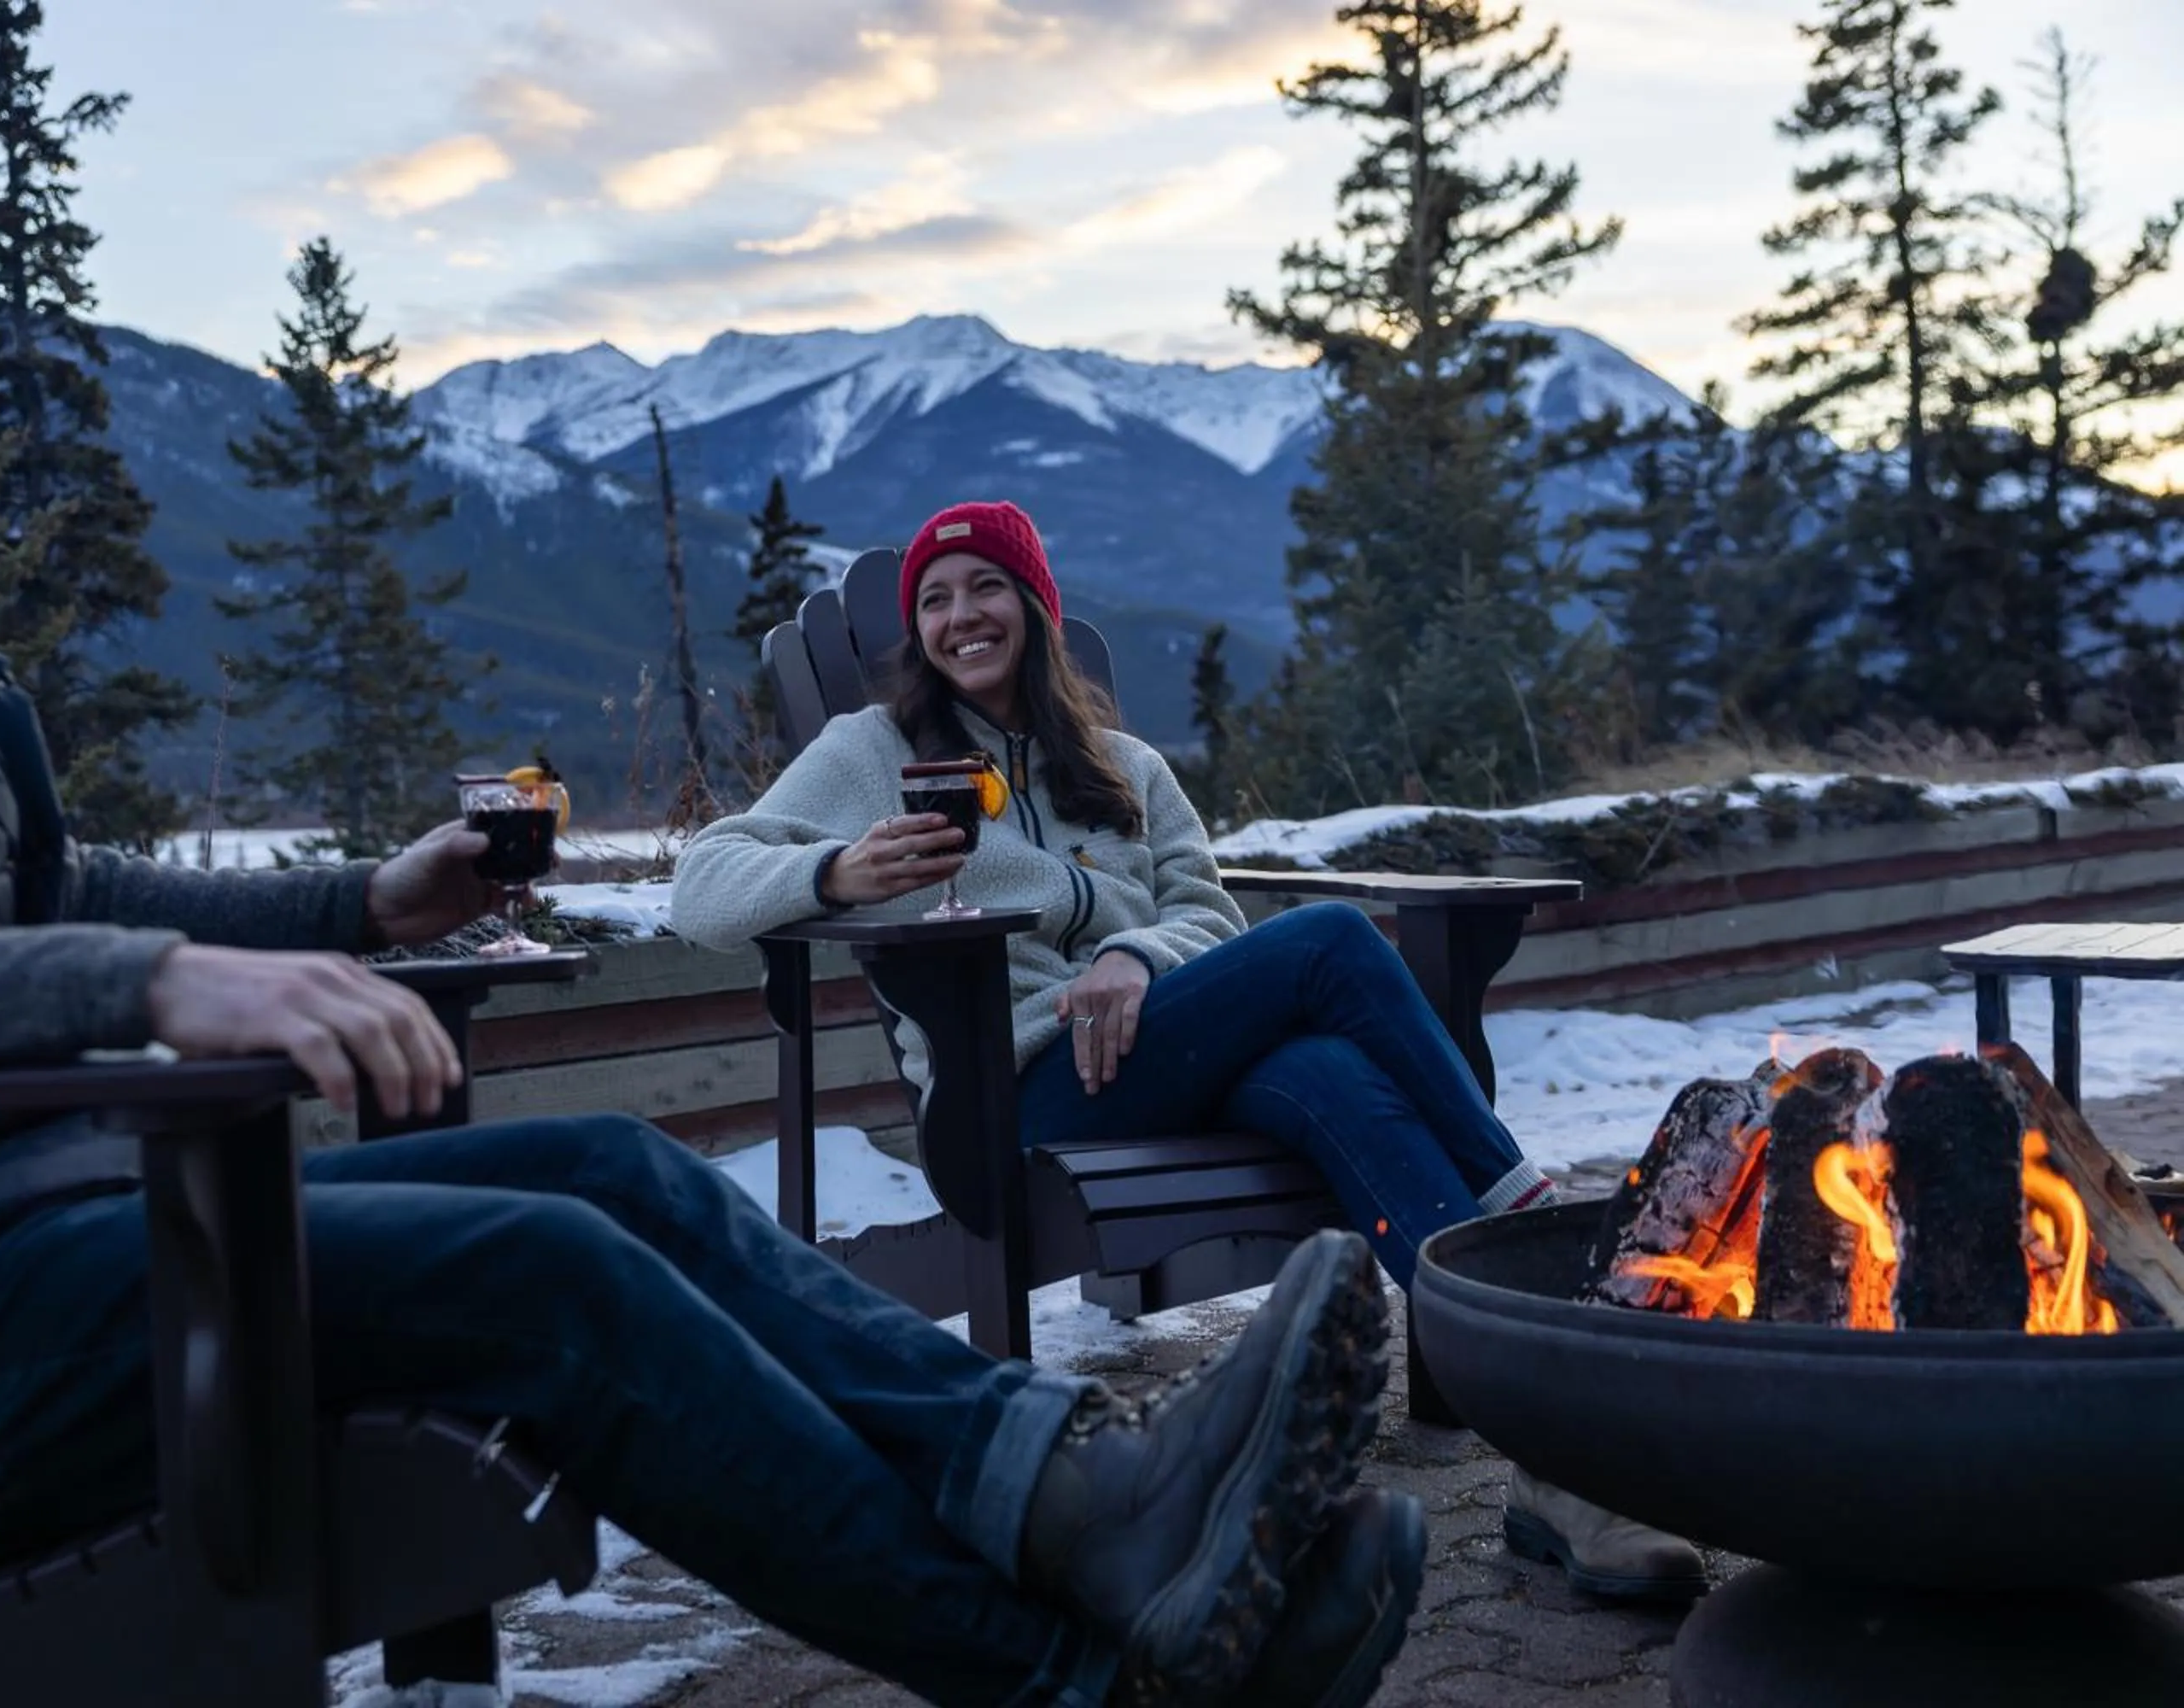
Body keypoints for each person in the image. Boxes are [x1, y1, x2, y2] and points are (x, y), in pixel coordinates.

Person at [0, 202, 1424, 1708]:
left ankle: (1074, 1495)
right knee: (549, 1270)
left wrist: (355, 908)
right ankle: (1080, 1678)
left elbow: (47, 889)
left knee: (616, 1166)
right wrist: (150, 989)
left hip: (44, 1257)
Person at [671, 498, 1709, 1606]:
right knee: (1332, 942)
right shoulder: (871, 752)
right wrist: (837, 876)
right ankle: (1530, 1228)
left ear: (1034, 607)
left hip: (1159, 1056)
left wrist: (1131, 956)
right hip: (1018, 1087)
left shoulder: (1124, 767)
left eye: (983, 589)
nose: (959, 615)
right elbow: (702, 884)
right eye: (933, 598)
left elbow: (1208, 917)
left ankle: (1557, 1469)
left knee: (1332, 1078)